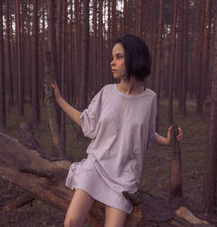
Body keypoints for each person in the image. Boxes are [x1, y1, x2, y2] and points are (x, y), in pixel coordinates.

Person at [51, 35, 183, 227]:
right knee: (71, 222)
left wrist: (167, 141)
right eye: (112, 57)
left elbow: (147, 133)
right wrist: (60, 101)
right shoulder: (106, 93)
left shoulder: (150, 99)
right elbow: (86, 122)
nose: (112, 62)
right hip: (96, 166)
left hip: (125, 177)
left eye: (118, 57)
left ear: (134, 58)